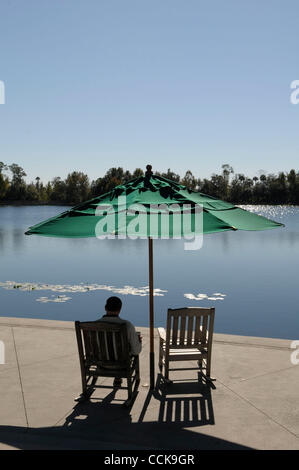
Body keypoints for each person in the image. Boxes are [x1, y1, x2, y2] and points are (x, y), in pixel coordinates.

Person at [98, 296, 142, 387]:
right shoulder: (127, 325)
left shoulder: (93, 326)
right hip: (121, 365)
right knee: (130, 347)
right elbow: (136, 351)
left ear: (105, 308)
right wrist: (138, 341)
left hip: (100, 363)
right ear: (120, 309)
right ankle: (119, 377)